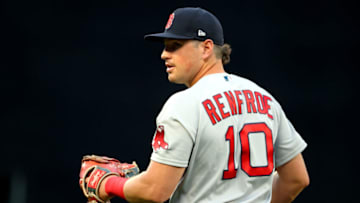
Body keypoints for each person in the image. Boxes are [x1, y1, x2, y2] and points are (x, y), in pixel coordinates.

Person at [96, 7, 310, 203]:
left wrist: (108, 184)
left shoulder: (184, 104)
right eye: (165, 47)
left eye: (175, 46)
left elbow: (154, 190)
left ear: (206, 48)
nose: (164, 54)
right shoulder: (265, 99)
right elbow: (296, 179)